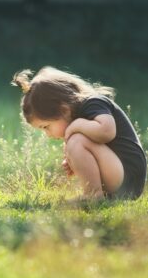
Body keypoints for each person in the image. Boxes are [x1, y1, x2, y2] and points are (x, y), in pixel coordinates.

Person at [12, 66, 147, 201]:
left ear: (63, 110)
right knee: (75, 141)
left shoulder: (94, 103)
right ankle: (98, 195)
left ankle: (93, 196)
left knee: (77, 141)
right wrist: (75, 160)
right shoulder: (78, 115)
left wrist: (76, 126)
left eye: (46, 127)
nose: (47, 134)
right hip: (119, 176)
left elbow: (107, 131)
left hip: (128, 175)